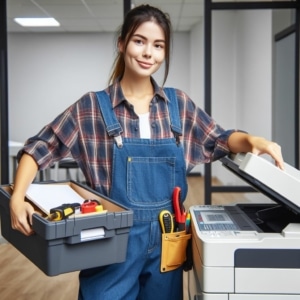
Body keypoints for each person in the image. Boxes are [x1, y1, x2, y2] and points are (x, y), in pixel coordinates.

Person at [10, 4, 283, 300]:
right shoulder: (91, 108)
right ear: (122, 44)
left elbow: (220, 138)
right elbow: (39, 148)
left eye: (158, 45)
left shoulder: (178, 106)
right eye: (139, 41)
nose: (147, 53)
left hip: (166, 244)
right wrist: (17, 198)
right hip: (109, 247)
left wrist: (253, 140)